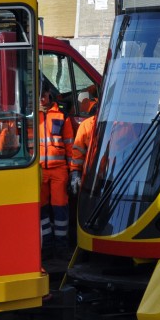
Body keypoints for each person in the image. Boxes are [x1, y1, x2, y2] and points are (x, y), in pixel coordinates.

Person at [38, 86, 74, 248]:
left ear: (49, 94)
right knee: (41, 208)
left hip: (59, 169)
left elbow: (70, 145)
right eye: (38, 97)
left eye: (43, 95)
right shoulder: (30, 116)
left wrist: (74, 171)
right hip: (37, 170)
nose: (41, 100)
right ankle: (46, 244)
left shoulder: (62, 115)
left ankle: (61, 245)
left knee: (60, 208)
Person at [68, 100, 98, 195]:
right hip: (91, 174)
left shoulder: (121, 125)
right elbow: (78, 150)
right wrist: (76, 171)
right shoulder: (86, 125)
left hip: (113, 174)